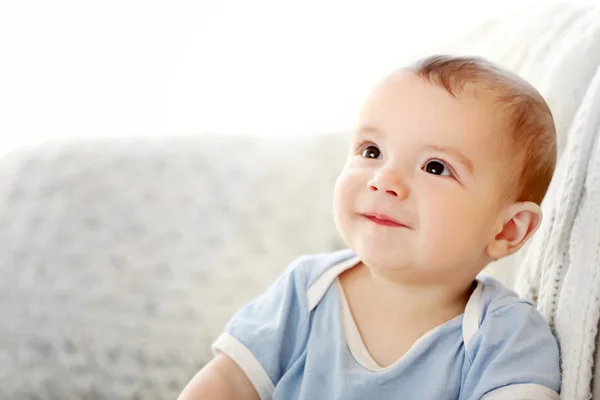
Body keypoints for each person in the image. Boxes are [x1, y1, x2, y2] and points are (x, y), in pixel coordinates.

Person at [178, 55, 561, 399]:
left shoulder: (502, 335)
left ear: (507, 229)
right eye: (371, 151)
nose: (383, 179)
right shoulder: (306, 292)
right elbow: (227, 383)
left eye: (435, 167)